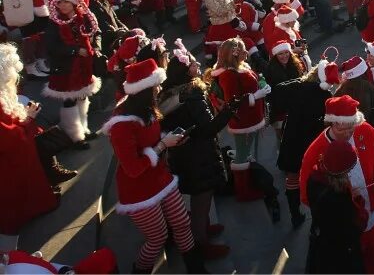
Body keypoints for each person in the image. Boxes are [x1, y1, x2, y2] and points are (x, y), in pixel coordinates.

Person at [101, 58, 206, 274]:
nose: (159, 89)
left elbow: (152, 140)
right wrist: (161, 146)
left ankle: (196, 269)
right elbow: (133, 169)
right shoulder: (122, 125)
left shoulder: (148, 109)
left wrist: (168, 139)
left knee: (182, 224)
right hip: (139, 190)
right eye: (156, 85)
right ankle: (140, 270)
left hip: (161, 179)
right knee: (157, 237)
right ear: (144, 90)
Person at [158, 40, 239, 260]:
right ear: (186, 71)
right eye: (193, 64)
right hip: (199, 156)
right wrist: (228, 112)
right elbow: (207, 129)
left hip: (185, 155)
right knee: (202, 197)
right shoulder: (192, 95)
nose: (197, 64)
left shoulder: (171, 94)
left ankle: (203, 226)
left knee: (199, 196)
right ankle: (200, 243)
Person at [300, 95, 374, 274]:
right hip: (345, 229)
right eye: (346, 129)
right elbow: (308, 196)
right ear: (334, 124)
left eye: (353, 127)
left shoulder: (366, 130)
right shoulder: (314, 152)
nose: (351, 133)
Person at [209, 37, 280, 221]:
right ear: (233, 53)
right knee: (242, 155)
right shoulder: (228, 75)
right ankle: (243, 190)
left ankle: (250, 179)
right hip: (243, 123)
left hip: (252, 119)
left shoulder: (241, 67)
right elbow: (234, 102)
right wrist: (256, 95)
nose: (246, 51)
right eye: (242, 49)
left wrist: (261, 83)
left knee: (248, 154)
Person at [0, 43, 60, 254]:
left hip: (15, 155)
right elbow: (8, 138)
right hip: (9, 162)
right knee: (15, 195)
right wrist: (28, 120)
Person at [271, 57, 332, 229]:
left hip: (292, 138)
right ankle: (316, 216)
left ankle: (295, 214)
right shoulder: (326, 95)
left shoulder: (298, 86)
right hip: (312, 142)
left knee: (292, 177)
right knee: (315, 179)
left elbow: (278, 90)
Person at [42, 0, 101, 148]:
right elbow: (52, 46)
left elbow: (96, 33)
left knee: (82, 98)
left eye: (66, 2)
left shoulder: (83, 18)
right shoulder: (54, 23)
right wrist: (75, 50)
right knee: (70, 102)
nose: (62, 5)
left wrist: (94, 47)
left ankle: (83, 129)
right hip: (65, 68)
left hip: (83, 66)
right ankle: (75, 136)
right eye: (60, 3)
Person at [304, 139, 367, 273]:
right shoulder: (341, 198)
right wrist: (357, 200)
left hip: (320, 249)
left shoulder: (314, 178)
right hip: (341, 257)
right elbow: (356, 228)